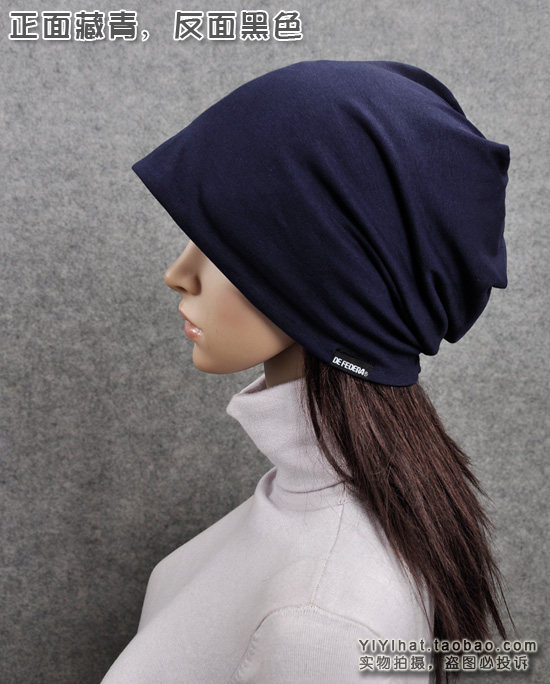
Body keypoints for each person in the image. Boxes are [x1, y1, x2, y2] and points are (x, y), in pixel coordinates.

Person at [101, 60, 514, 683]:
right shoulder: (302, 514)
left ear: (331, 282)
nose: (179, 274)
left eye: (224, 245)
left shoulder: (325, 622)